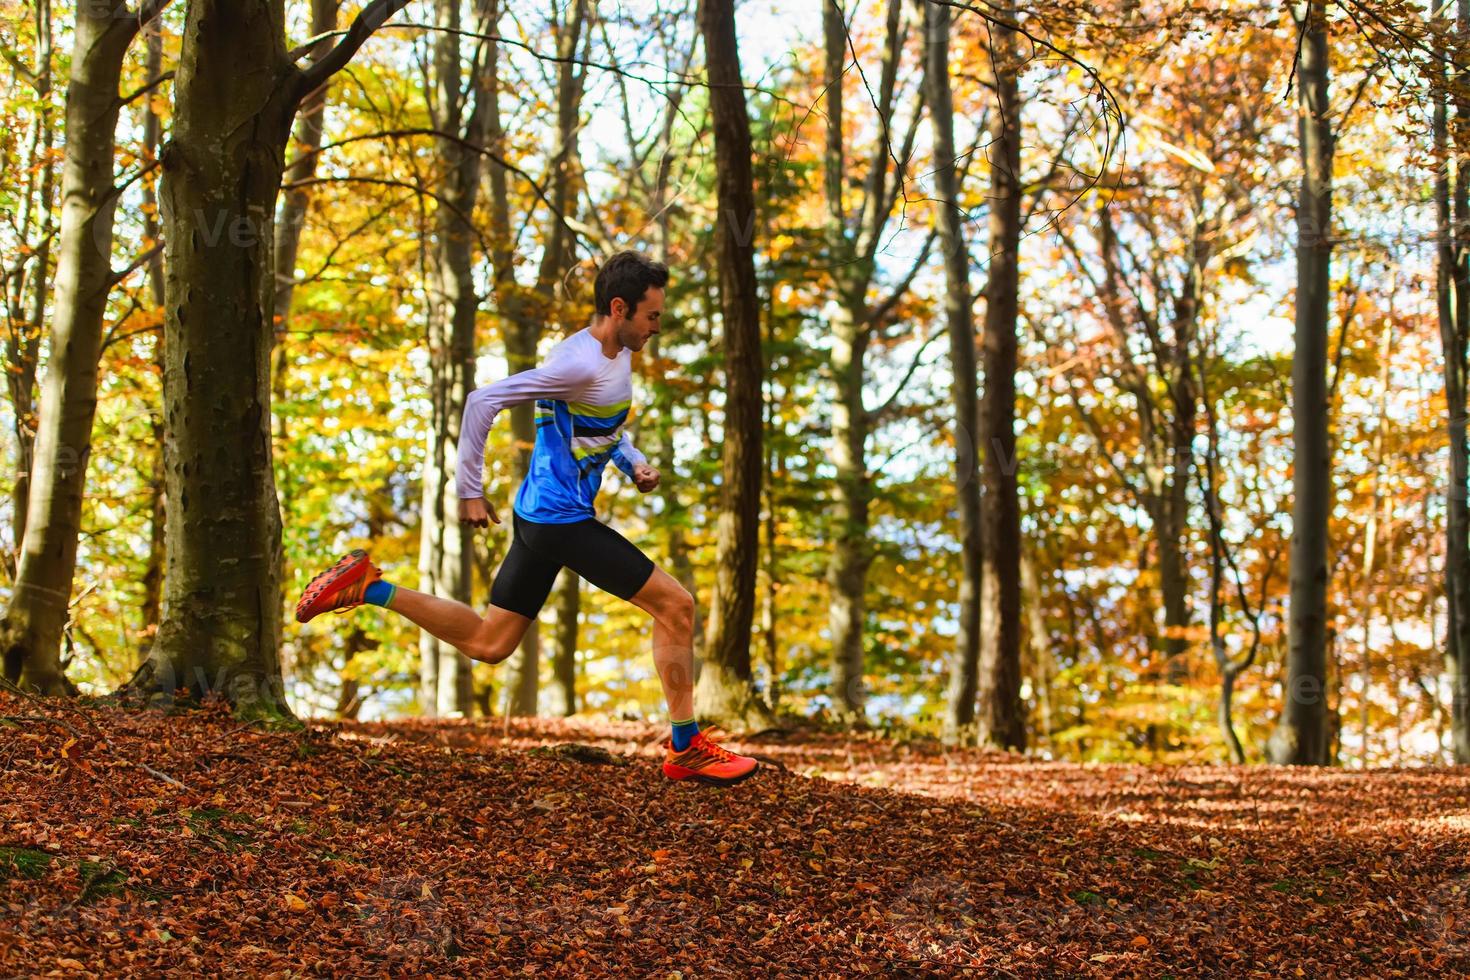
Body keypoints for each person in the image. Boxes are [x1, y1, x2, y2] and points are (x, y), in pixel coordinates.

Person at [294, 250, 758, 786]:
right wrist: (470, 491)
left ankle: (368, 589)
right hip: (561, 522)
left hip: (541, 518)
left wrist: (633, 464)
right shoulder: (574, 364)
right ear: (619, 308)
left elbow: (602, 428)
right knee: (676, 605)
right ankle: (686, 746)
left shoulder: (613, 354)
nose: (658, 325)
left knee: (490, 643)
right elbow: (481, 401)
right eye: (652, 315)